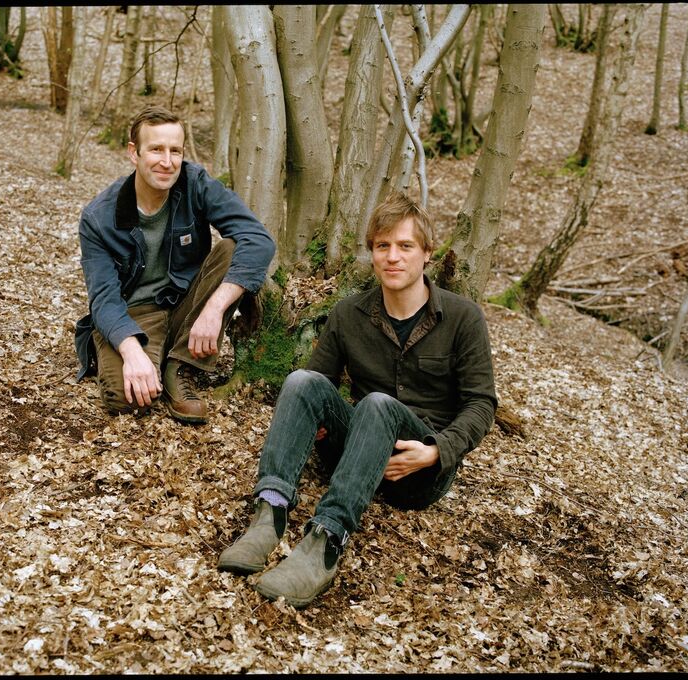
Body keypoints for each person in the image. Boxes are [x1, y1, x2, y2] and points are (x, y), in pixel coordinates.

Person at [217, 191, 497, 608]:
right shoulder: (350, 313)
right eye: (383, 246)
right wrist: (317, 426)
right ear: (372, 253)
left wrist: (436, 452)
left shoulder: (462, 317)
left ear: (427, 254)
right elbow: (318, 385)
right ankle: (268, 515)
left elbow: (481, 403)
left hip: (417, 471)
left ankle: (325, 543)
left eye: (405, 246)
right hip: (357, 454)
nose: (393, 257)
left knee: (379, 404)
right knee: (300, 380)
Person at [74, 105, 275, 424]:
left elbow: (258, 238)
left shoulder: (195, 183)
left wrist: (214, 309)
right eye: (156, 149)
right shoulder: (99, 217)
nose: (167, 162)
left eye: (175, 151)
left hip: (186, 302)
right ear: (134, 153)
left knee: (232, 247)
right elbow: (104, 299)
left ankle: (178, 368)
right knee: (125, 399)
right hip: (135, 315)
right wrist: (131, 352)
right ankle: (137, 351)